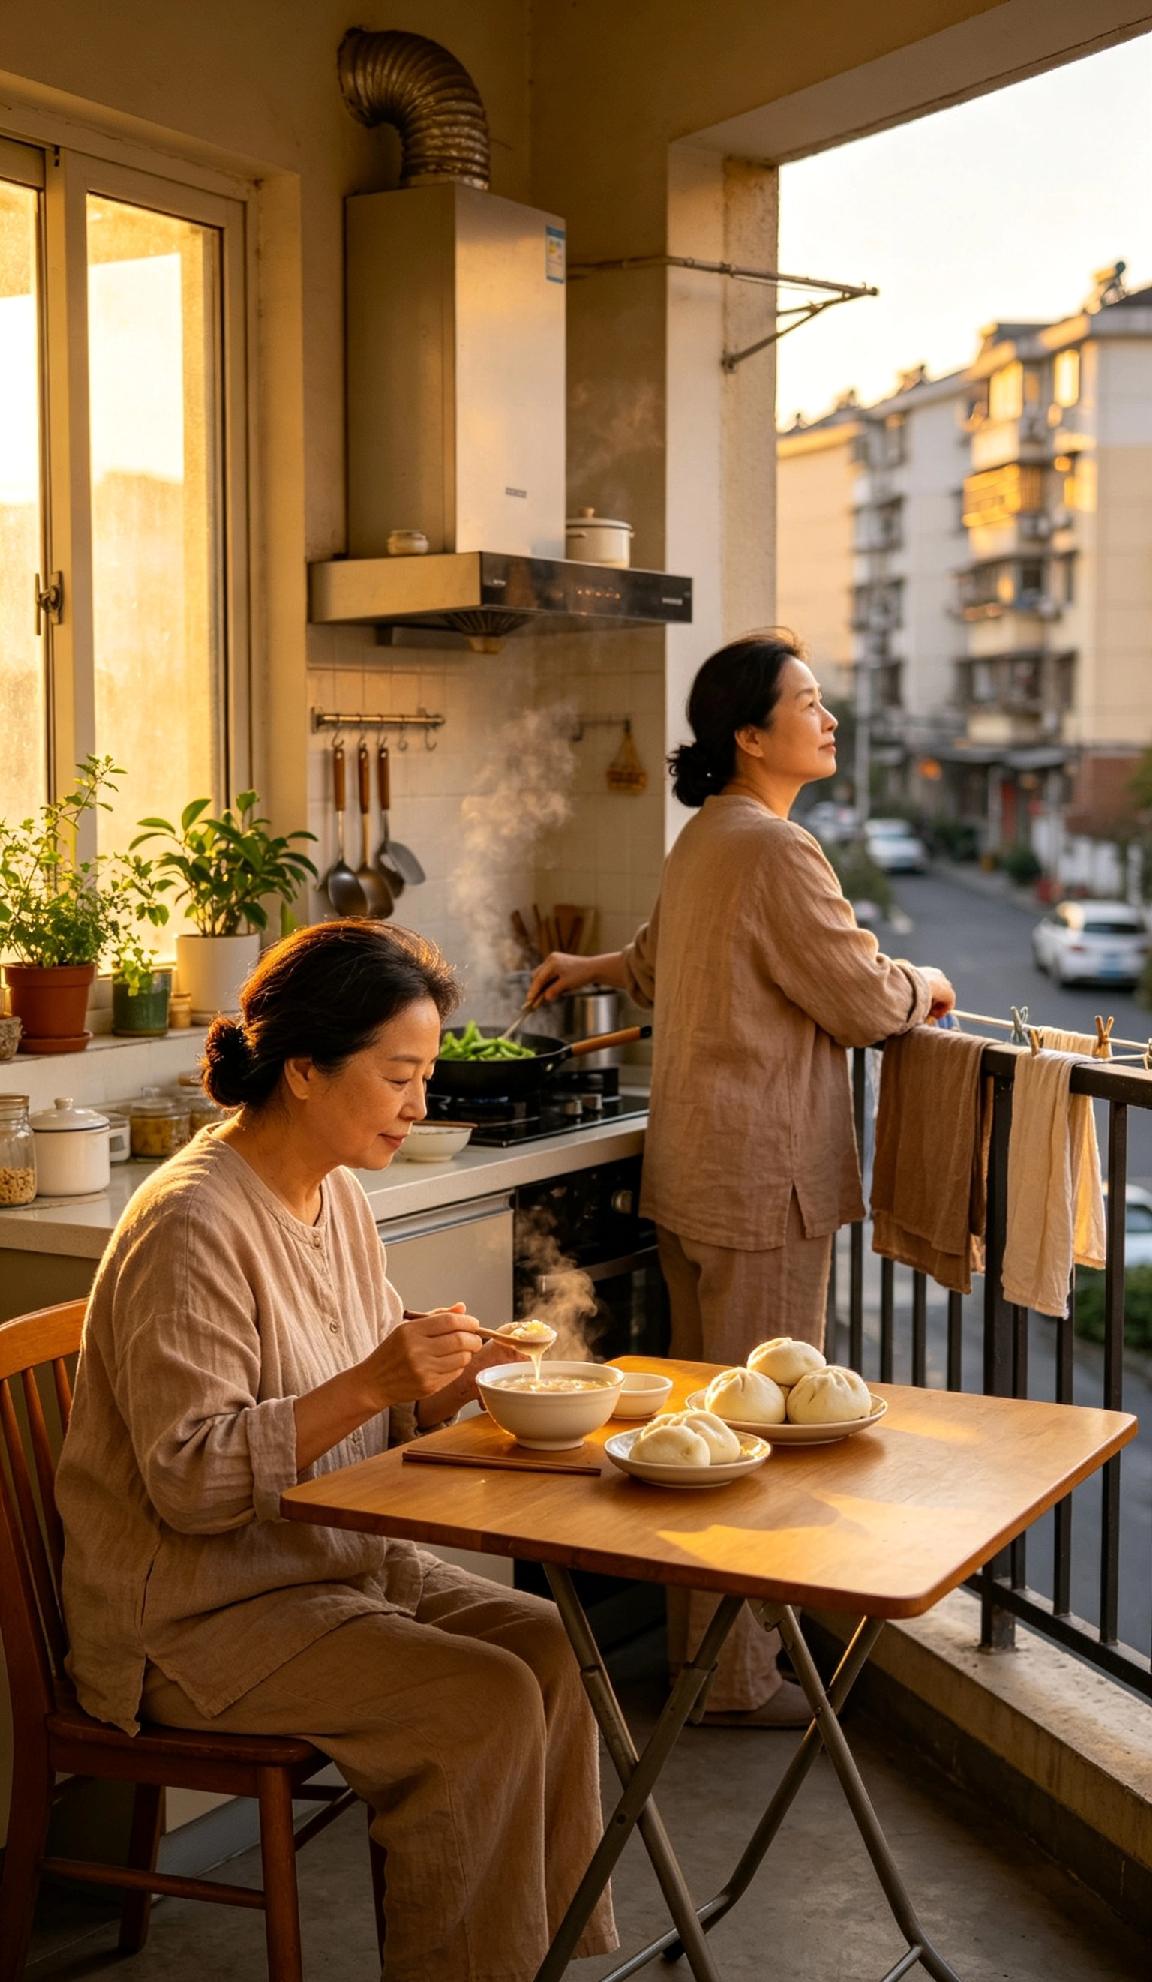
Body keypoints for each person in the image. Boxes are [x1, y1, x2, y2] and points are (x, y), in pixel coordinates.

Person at [56, 920, 616, 1982]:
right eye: (401, 1075)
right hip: (194, 1611)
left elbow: (366, 1403)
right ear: (304, 1069)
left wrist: (437, 1386)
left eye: (428, 1073)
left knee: (550, 1643)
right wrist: (373, 1382)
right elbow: (190, 1478)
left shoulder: (339, 1195)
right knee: (482, 1700)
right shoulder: (192, 1223)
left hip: (321, 1565)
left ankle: (534, 1957)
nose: (421, 1102)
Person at [529, 630, 955, 1727]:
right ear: (750, 735)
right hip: (764, 1184)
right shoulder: (774, 847)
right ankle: (734, 1680)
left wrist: (589, 966)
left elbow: (663, 960)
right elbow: (862, 998)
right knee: (754, 1438)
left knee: (704, 1434)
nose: (829, 720)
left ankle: (706, 1662)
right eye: (809, 704)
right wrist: (929, 980)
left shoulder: (707, 835)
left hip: (695, 1171)